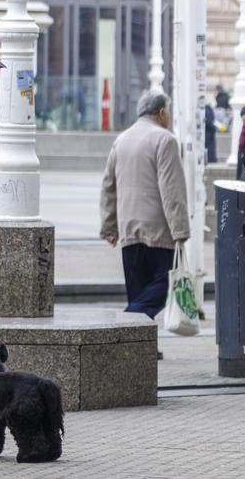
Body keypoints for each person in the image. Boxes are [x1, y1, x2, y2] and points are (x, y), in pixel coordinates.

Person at [99, 88, 191, 319]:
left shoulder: (121, 140)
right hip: (158, 230)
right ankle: (125, 322)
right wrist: (180, 230)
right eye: (167, 112)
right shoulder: (165, 139)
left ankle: (140, 348)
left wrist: (109, 227)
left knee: (138, 291)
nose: (168, 117)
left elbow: (108, 186)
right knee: (168, 284)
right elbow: (172, 189)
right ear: (161, 113)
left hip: (129, 228)